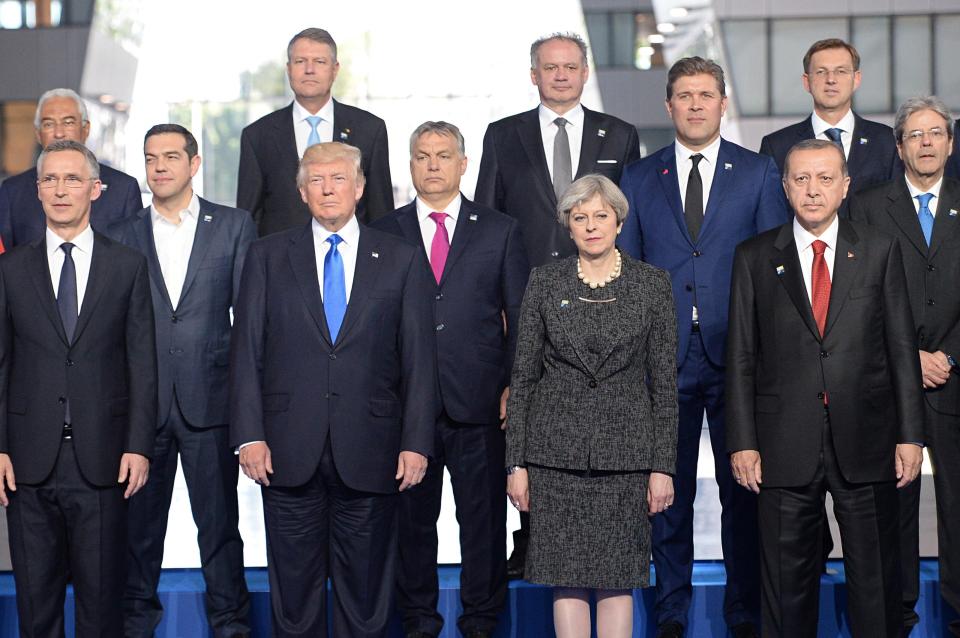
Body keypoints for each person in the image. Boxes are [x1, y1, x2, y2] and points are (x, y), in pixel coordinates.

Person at [229, 141, 436, 638]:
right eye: (316, 180)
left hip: (373, 449)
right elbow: (245, 353)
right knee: (294, 602)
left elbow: (419, 360)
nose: (328, 188)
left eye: (339, 178)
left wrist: (415, 442)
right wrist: (249, 434)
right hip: (286, 450)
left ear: (360, 188)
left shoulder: (402, 260)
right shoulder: (267, 255)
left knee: (366, 601)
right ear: (301, 192)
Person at [618, 56, 788, 638]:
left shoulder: (759, 172)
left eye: (706, 94)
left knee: (745, 491)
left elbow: (773, 268)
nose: (695, 104)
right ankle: (670, 612)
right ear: (669, 106)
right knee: (666, 493)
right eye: (684, 95)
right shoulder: (640, 178)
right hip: (661, 361)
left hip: (739, 356)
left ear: (722, 103)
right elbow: (630, 275)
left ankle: (743, 612)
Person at [727, 138, 924, 637]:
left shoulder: (879, 249)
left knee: (875, 585)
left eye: (825, 179)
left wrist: (910, 435)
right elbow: (741, 358)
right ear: (785, 187)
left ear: (845, 186)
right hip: (780, 446)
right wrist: (743, 442)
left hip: (869, 441)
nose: (813, 190)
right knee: (785, 590)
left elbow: (901, 348)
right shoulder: (753, 257)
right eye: (801, 179)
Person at [475, 31, 640, 577]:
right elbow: (489, 223)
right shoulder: (503, 136)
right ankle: (531, 536)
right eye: (551, 67)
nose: (561, 75)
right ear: (534, 74)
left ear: (585, 72)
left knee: (589, 419)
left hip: (600, 301)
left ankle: (596, 536)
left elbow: (627, 225)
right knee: (530, 415)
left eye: (570, 66)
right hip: (524, 301)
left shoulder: (619, 134)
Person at [372, 121, 529, 638]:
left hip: (480, 403)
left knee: (482, 526)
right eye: (422, 156)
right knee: (411, 526)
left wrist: (513, 385)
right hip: (404, 408)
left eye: (443, 155)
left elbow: (521, 318)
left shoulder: (499, 229)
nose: (433, 165)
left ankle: (481, 622)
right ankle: (418, 621)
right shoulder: (383, 231)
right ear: (410, 165)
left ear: (464, 165)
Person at [505, 174, 678, 638]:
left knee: (618, 579)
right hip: (554, 458)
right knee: (567, 581)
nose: (592, 225)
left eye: (601, 216)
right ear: (568, 225)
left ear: (619, 221)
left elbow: (664, 386)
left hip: (626, 458)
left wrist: (663, 467)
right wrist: (515, 464)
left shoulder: (651, 284)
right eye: (580, 217)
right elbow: (522, 379)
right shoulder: (544, 282)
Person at [0, 139, 156, 636]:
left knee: (101, 608)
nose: (60, 190)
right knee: (36, 608)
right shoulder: (9, 269)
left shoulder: (127, 265)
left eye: (72, 179)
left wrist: (138, 446)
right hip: (27, 462)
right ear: (37, 190)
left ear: (95, 189)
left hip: (105, 458)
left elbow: (141, 364)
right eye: (49, 179)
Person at [109, 124, 255, 638]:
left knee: (218, 529)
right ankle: (135, 625)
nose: (160, 167)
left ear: (195, 164)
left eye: (171, 156)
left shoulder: (234, 227)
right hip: (142, 408)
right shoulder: (123, 232)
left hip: (210, 403)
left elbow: (249, 325)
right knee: (139, 533)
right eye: (151, 158)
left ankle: (231, 624)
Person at [849, 96, 960, 636]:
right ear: (898, 147)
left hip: (956, 380)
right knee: (894, 511)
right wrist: (906, 356)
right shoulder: (868, 208)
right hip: (891, 384)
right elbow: (855, 296)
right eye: (915, 135)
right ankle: (899, 619)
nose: (926, 143)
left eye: (935, 133)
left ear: (950, 142)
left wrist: (948, 355)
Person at [237, 28, 393, 235]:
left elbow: (381, 212)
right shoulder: (257, 135)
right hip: (280, 259)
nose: (309, 70)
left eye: (319, 62)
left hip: (354, 259)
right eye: (300, 61)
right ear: (288, 68)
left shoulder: (370, 129)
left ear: (335, 69)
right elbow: (248, 218)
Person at [759, 38, 898, 212]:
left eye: (841, 71)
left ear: (856, 79)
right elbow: (771, 213)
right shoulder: (777, 146)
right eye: (821, 72)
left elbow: (896, 209)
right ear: (806, 81)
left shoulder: (886, 141)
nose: (831, 79)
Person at [0, 88, 142, 248]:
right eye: (48, 124)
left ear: (86, 129)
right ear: (38, 134)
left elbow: (134, 262)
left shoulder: (123, 189)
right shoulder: (12, 191)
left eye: (68, 122)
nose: (59, 133)